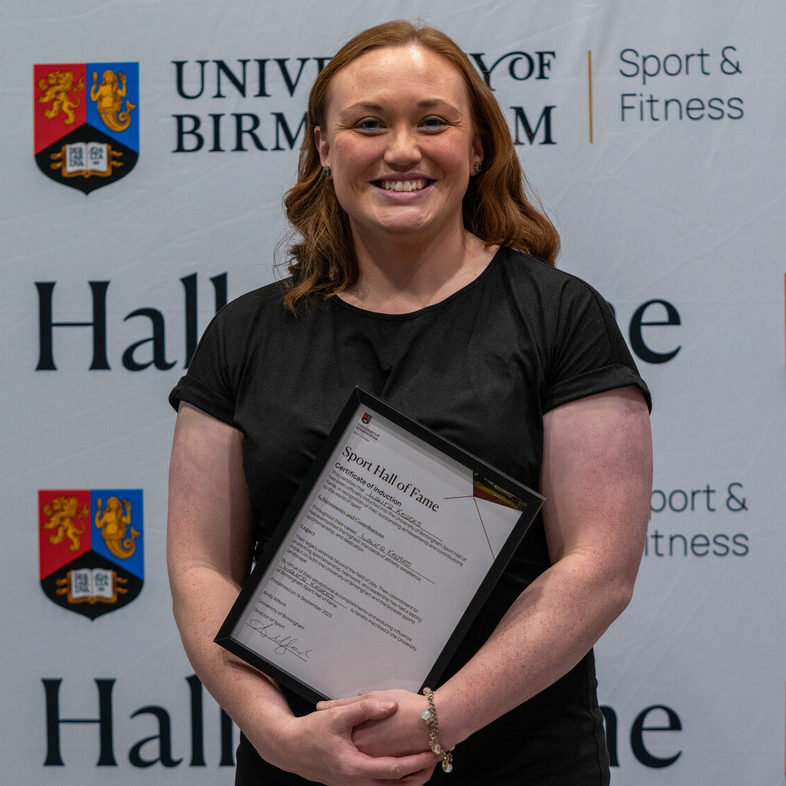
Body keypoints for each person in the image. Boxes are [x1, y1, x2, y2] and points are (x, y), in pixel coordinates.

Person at [167, 20, 652, 786]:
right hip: (300, 761)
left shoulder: (561, 318)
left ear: (478, 145)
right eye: (368, 123)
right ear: (325, 149)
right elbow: (201, 566)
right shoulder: (244, 334)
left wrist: (436, 722)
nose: (402, 149)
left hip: (517, 761)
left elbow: (597, 570)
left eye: (433, 120)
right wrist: (274, 733)